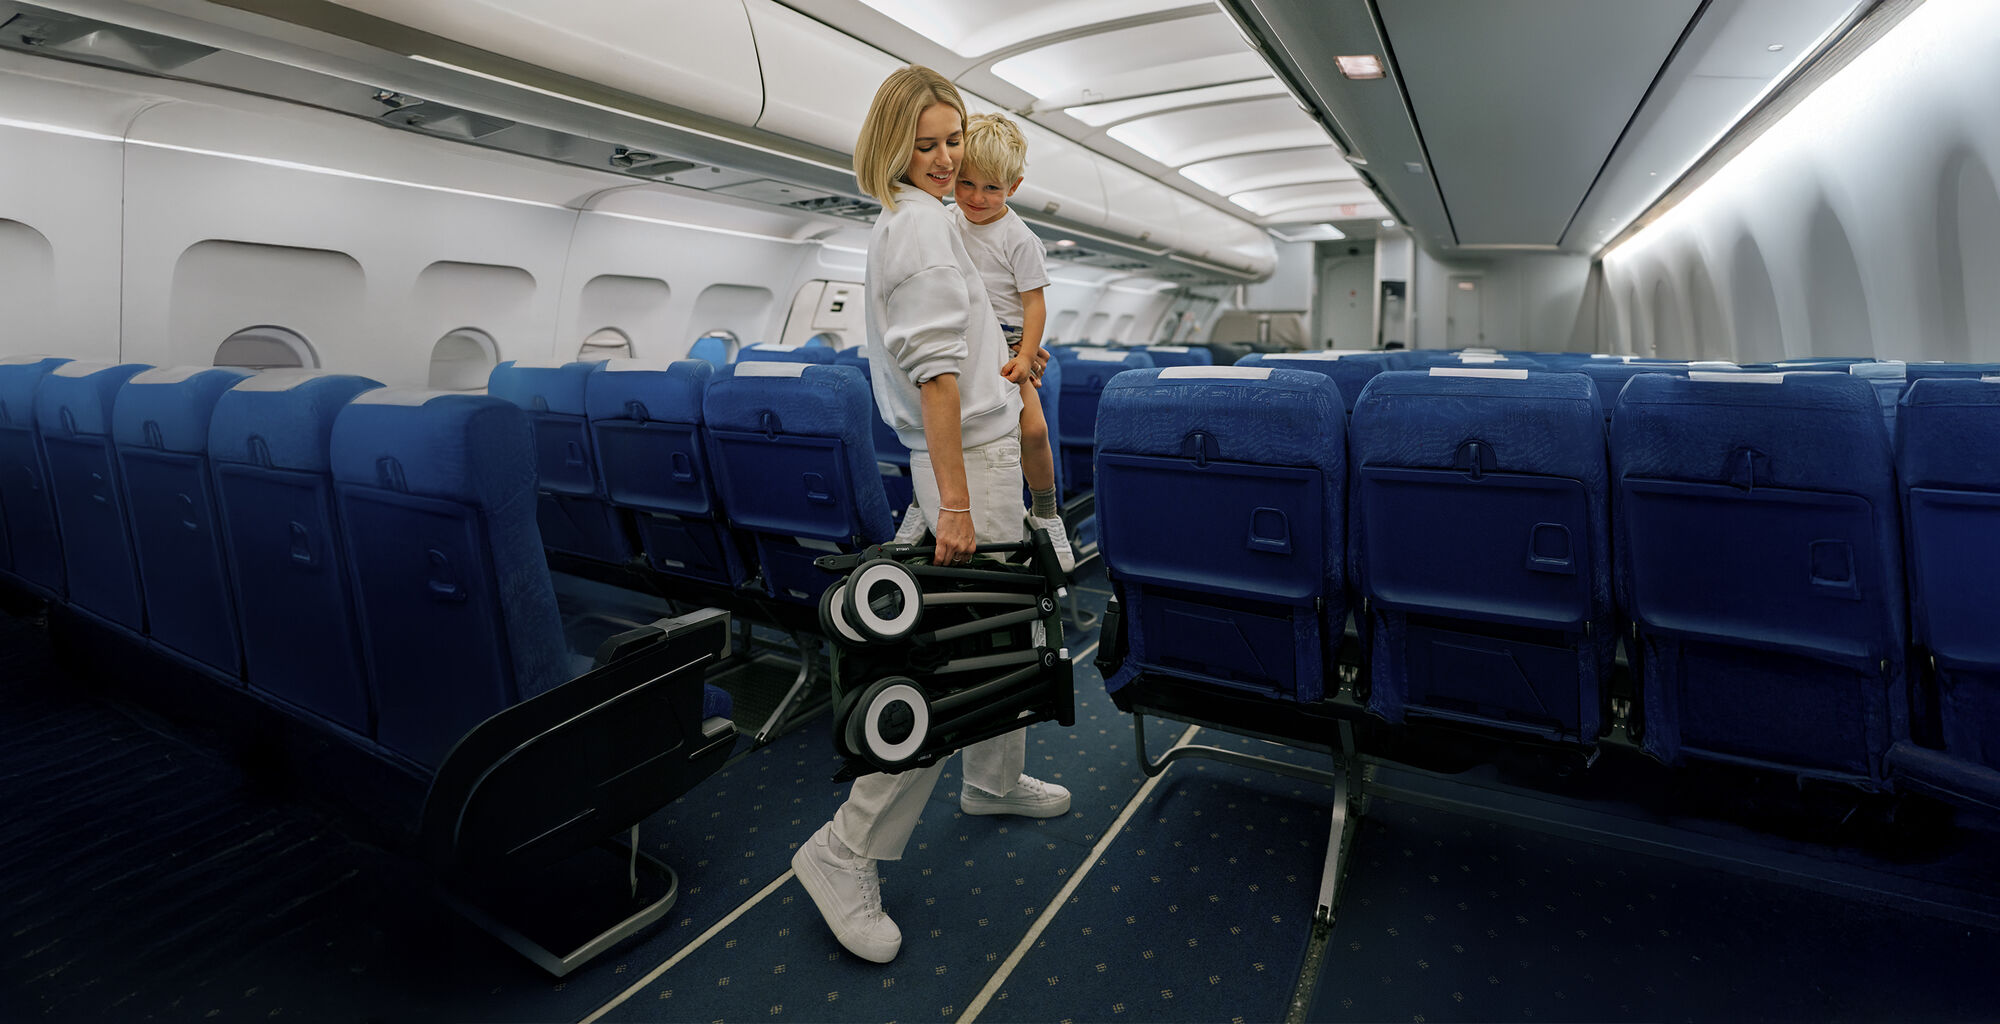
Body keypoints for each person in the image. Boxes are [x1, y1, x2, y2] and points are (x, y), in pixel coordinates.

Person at [792, 65, 1072, 966]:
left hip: (980, 458)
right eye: (927, 144)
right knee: (949, 667)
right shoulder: (916, 231)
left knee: (1002, 635)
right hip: (971, 467)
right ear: (891, 148)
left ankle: (991, 782)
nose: (947, 159)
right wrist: (954, 501)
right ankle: (842, 852)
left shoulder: (937, 218)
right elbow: (936, 378)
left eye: (954, 140)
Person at [949, 112, 1074, 571]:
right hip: (961, 340)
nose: (976, 198)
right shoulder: (946, 222)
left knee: (1034, 431)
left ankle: (1045, 512)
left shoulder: (1019, 237)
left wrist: (1024, 356)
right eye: (966, 184)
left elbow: (1034, 305)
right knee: (949, 433)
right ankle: (928, 504)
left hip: (1005, 344)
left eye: (991, 188)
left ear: (1013, 188)